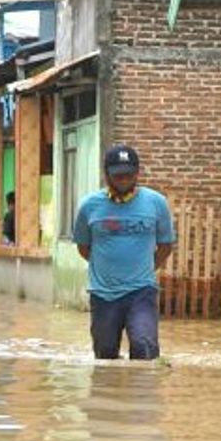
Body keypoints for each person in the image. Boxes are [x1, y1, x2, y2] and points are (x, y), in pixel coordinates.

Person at [73, 144, 176, 360]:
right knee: (105, 354)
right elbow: (83, 247)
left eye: (128, 175)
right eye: (117, 176)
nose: (123, 180)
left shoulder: (156, 203)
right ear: (107, 175)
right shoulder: (89, 207)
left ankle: (140, 392)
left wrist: (145, 268)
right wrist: (107, 268)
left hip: (141, 291)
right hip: (103, 294)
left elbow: (165, 245)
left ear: (137, 173)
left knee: (144, 347)